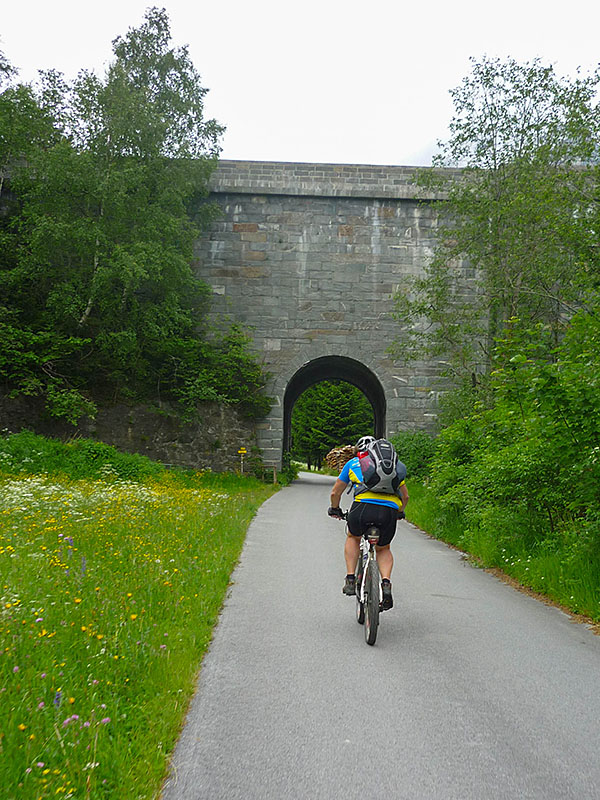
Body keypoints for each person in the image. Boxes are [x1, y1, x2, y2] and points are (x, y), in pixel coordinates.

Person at [327, 437, 408, 610]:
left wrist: (335, 508)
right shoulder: (391, 467)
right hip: (389, 512)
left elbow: (336, 492)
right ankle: (385, 584)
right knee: (384, 548)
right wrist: (399, 512)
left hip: (362, 508)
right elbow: (405, 496)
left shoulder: (354, 464)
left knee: (353, 536)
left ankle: (350, 578)